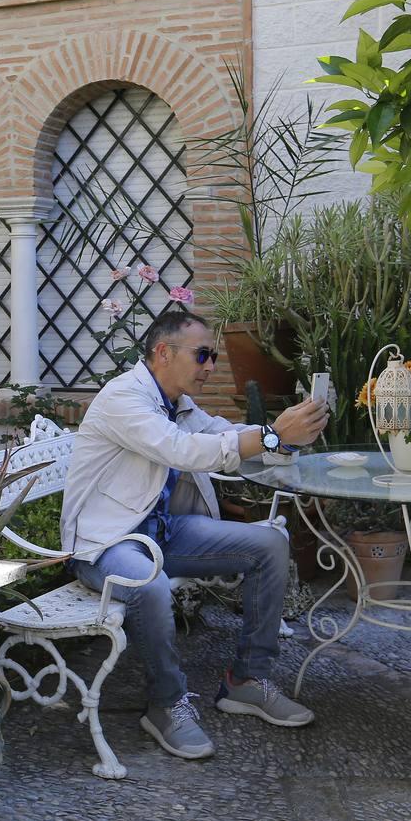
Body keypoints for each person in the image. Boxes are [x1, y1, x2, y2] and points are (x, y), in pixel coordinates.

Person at [60, 309, 328, 760]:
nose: (211, 367)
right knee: (149, 584)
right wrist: (268, 438)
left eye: (214, 356)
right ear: (163, 352)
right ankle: (165, 704)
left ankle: (246, 680)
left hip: (161, 533)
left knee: (269, 543)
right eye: (203, 355)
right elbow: (182, 449)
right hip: (108, 542)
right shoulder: (124, 398)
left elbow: (223, 434)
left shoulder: (177, 401)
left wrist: (282, 438)